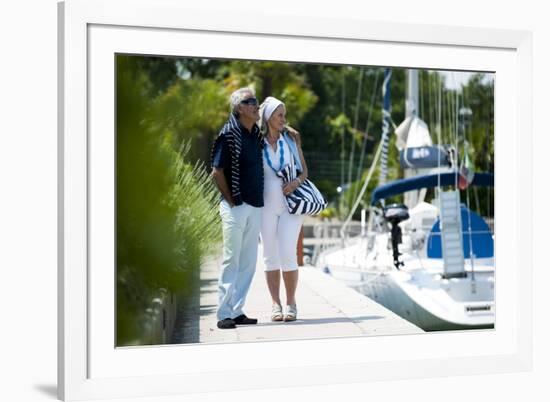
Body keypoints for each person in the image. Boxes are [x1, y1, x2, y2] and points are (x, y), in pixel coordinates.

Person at [211, 87, 264, 329]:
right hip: (236, 206)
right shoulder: (228, 134)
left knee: (249, 262)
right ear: (239, 108)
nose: (256, 105)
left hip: (255, 205)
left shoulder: (256, 134)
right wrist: (231, 201)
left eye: (256, 101)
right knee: (231, 260)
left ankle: (237, 309)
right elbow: (217, 172)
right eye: (250, 101)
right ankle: (224, 314)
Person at [259, 96, 308, 322]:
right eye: (279, 115)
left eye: (284, 115)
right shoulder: (256, 143)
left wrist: (295, 183)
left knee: (288, 252)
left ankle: (291, 302)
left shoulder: (291, 139)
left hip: (291, 206)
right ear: (268, 117)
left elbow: (304, 172)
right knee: (270, 256)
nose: (283, 119)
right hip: (265, 207)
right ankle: (275, 304)